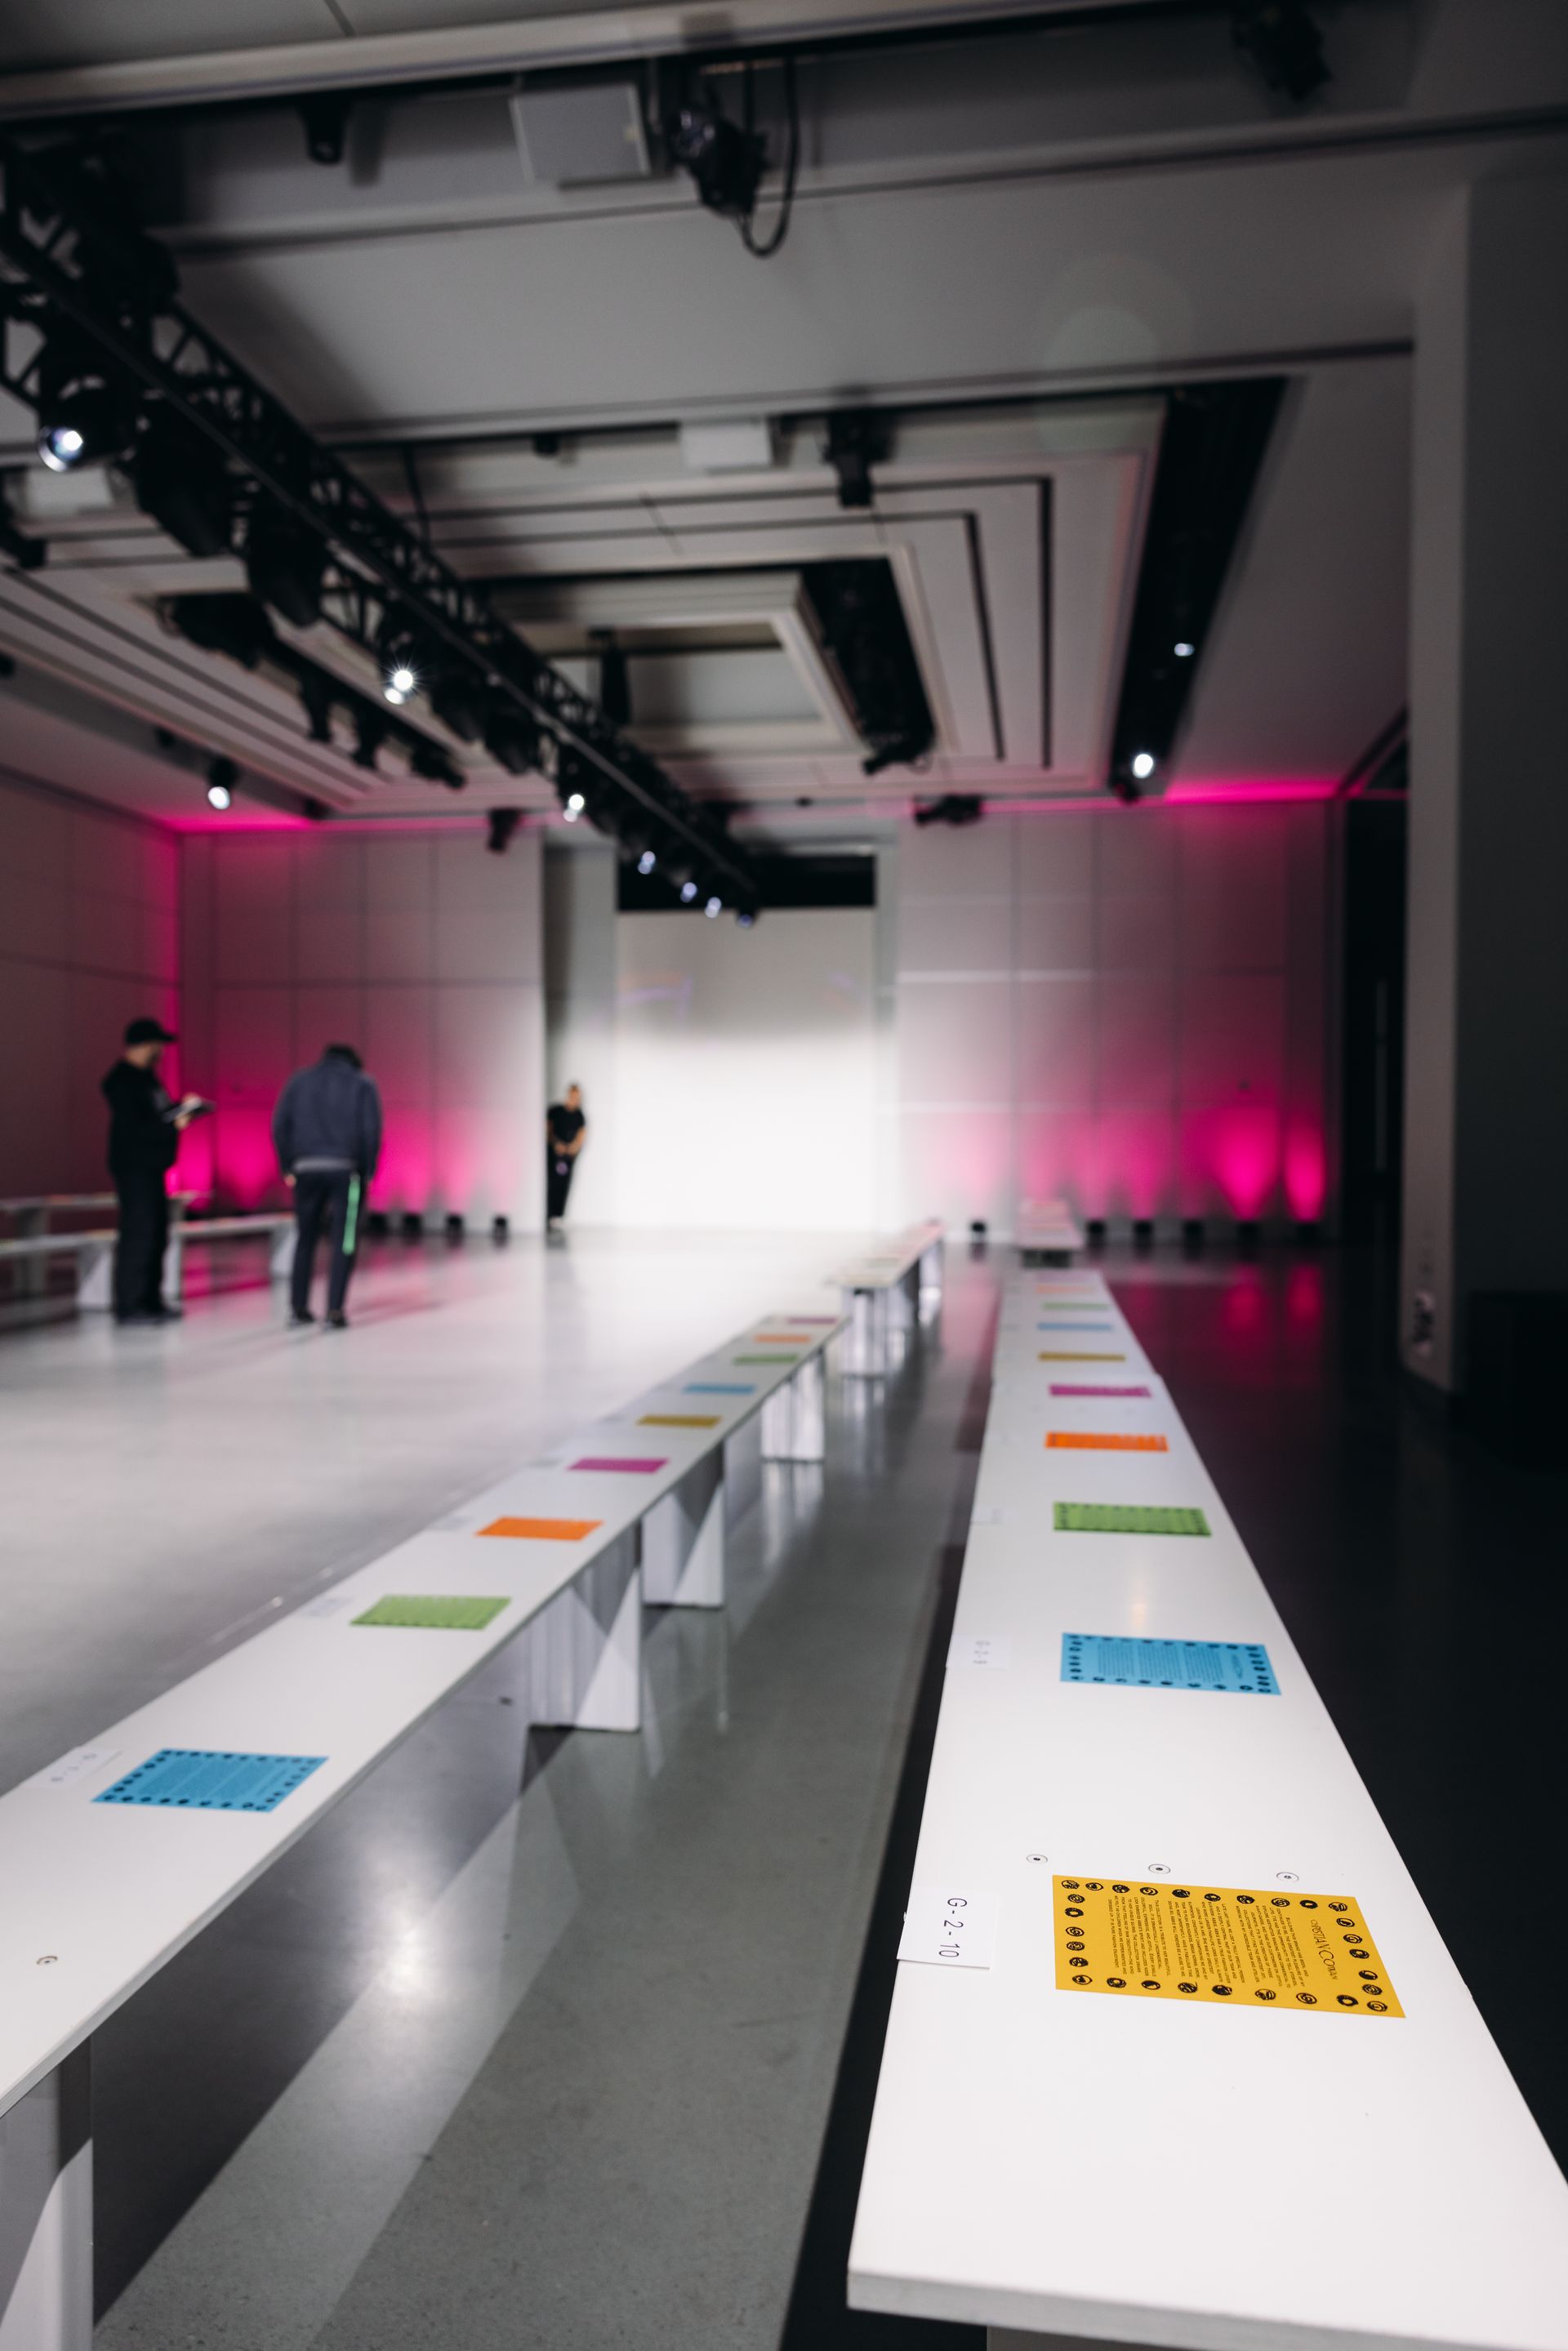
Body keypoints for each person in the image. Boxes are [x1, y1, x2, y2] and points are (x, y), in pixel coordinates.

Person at [101, 1017, 204, 1326]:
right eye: (158, 1044)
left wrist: (180, 1111)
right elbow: (138, 1127)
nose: (162, 1051)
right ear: (145, 1045)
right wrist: (174, 1124)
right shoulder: (122, 1081)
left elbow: (156, 1116)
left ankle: (150, 1300)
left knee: (157, 1233)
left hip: (152, 1168)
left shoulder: (148, 1079)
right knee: (139, 1233)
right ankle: (131, 1304)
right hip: (134, 1168)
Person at [272, 1044, 382, 1329]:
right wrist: (368, 1171)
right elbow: (371, 1130)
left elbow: (280, 1124)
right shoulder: (362, 1083)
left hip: (305, 1170)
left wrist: (288, 1166)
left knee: (305, 1238)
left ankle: (298, 1308)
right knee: (344, 1240)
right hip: (348, 1172)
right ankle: (334, 1311)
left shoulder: (299, 1081)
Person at [546, 1084, 587, 1227]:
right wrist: (556, 1144)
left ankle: (558, 1216)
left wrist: (571, 1149)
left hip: (568, 1158)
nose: (576, 1100)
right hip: (553, 1156)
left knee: (564, 1186)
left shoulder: (579, 1115)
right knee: (551, 1184)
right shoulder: (556, 1111)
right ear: (569, 1095)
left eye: (578, 1097)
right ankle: (548, 1215)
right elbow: (548, 1130)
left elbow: (581, 1136)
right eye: (574, 1096)